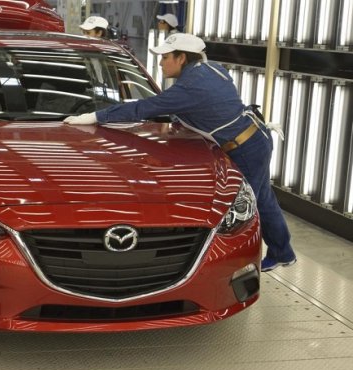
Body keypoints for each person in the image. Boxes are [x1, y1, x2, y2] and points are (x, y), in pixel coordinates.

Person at [64, 33, 297, 272]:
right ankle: (283, 252)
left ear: (182, 58)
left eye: (165, 57)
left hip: (245, 147)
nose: (161, 62)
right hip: (255, 136)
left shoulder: (189, 88)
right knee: (264, 199)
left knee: (244, 210)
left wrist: (94, 117)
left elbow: (142, 108)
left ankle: (235, 267)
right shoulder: (212, 69)